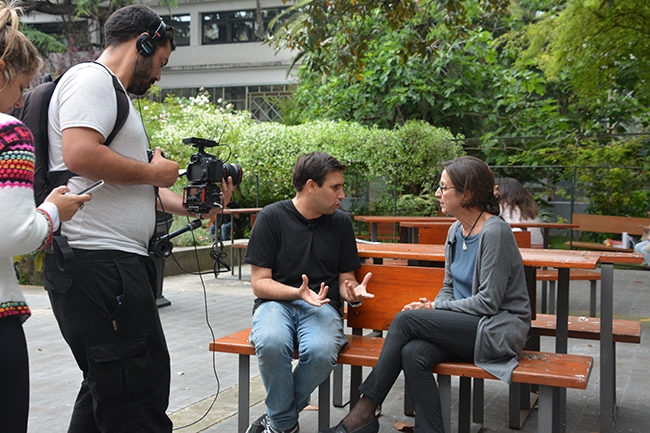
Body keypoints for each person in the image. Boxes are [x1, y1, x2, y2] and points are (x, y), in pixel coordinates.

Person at [42, 5, 232, 432]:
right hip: (99, 265)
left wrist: (194, 205)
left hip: (110, 266)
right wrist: (153, 172)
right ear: (143, 43)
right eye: (161, 61)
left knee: (109, 389)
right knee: (136, 395)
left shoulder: (112, 95)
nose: (159, 75)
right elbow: (80, 154)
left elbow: (133, 187)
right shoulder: (92, 80)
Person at [323, 156, 531, 433]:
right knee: (413, 352)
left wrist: (435, 308)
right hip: (469, 326)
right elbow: (449, 286)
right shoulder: (456, 230)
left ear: (467, 194)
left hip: (497, 330)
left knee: (406, 320)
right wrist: (438, 305)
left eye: (443, 187)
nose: (437, 193)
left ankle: (363, 412)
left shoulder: (495, 232)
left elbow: (489, 302)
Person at [0, 2, 90, 431]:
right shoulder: (8, 133)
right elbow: (13, 234)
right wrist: (54, 211)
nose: (22, 100)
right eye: (22, 86)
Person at [244, 151, 374, 433]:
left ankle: (278, 422)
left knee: (321, 351)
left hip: (322, 305)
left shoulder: (341, 223)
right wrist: (297, 292)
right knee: (271, 341)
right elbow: (260, 282)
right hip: (275, 304)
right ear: (311, 186)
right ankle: (284, 424)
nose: (342, 195)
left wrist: (352, 292)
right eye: (335, 187)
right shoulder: (271, 217)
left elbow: (346, 278)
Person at [497, 177, 543, 247]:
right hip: (538, 244)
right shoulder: (531, 206)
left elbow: (488, 213)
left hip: (520, 246)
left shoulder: (504, 206)